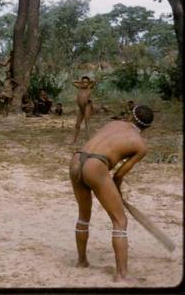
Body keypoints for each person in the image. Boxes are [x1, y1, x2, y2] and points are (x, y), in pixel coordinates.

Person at [69, 105, 154, 283]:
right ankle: (121, 275)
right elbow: (119, 175)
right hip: (96, 165)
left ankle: (82, 261)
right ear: (147, 127)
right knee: (120, 221)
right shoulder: (140, 145)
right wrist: (117, 191)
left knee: (84, 216)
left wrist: (113, 187)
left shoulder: (114, 124)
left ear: (130, 117)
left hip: (77, 159)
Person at [71, 76, 98, 144]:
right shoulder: (79, 87)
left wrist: (88, 82)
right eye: (83, 82)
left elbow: (94, 81)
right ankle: (74, 140)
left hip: (87, 106)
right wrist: (81, 82)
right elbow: (73, 82)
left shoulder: (89, 87)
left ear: (88, 83)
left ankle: (88, 140)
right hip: (81, 108)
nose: (84, 83)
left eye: (86, 82)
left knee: (86, 123)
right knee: (77, 125)